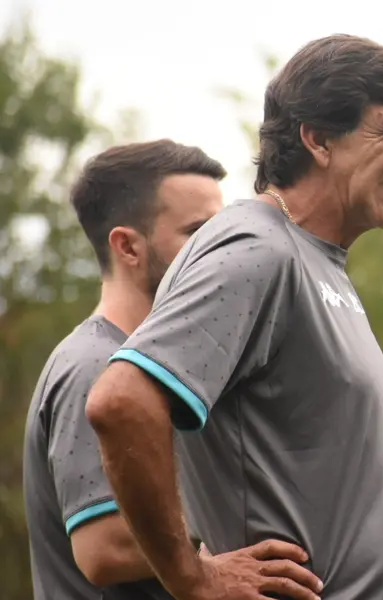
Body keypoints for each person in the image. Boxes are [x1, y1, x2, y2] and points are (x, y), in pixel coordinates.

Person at [83, 34, 383, 600]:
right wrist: (192, 577)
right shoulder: (258, 247)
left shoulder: (314, 259)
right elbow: (121, 400)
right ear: (318, 138)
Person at [22, 140, 225, 600]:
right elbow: (105, 548)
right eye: (198, 233)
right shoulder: (96, 366)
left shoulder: (157, 368)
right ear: (128, 247)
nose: (220, 253)